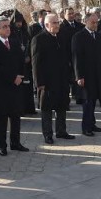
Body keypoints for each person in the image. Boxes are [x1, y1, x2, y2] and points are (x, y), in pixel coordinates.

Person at [0, 16, 29, 156]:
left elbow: (21, 61)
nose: (8, 29)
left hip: (16, 85)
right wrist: (13, 77)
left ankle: (15, 143)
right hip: (1, 87)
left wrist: (21, 77)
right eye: (4, 26)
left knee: (15, 116)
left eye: (8, 26)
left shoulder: (15, 43)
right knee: (2, 118)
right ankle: (2, 145)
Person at [31, 13, 75, 144]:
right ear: (46, 25)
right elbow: (36, 64)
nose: (57, 25)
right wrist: (39, 83)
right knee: (47, 109)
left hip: (61, 80)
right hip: (47, 82)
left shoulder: (61, 36)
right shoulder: (38, 39)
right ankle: (48, 134)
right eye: (54, 23)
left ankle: (61, 131)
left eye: (58, 22)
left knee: (62, 106)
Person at [72, 13, 101, 136]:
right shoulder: (78, 36)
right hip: (85, 75)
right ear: (86, 22)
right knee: (87, 101)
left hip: (96, 74)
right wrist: (79, 76)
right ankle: (86, 127)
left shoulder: (98, 35)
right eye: (93, 22)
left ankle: (92, 123)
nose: (95, 25)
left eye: (96, 22)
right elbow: (76, 58)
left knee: (94, 99)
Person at [10, 9, 36, 115]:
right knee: (19, 87)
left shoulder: (25, 32)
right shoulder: (10, 34)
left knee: (28, 86)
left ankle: (29, 107)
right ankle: (20, 109)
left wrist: (29, 56)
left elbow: (31, 45)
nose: (19, 24)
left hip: (27, 62)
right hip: (16, 64)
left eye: (20, 21)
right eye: (17, 22)